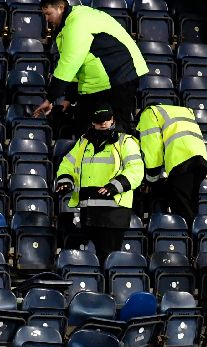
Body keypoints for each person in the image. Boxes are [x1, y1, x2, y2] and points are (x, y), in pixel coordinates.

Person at [33, 0, 147, 134]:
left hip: (119, 76)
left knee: (117, 129)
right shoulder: (73, 21)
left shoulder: (76, 23)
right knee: (88, 127)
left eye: (48, 13)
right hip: (108, 78)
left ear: (61, 8)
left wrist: (50, 98)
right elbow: (76, 65)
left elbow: (70, 63)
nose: (46, 18)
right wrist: (69, 98)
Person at [53, 108, 143, 256]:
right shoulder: (83, 142)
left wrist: (114, 186)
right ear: (93, 123)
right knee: (85, 259)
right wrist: (65, 180)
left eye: (106, 120)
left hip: (114, 213)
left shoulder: (125, 141)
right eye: (99, 121)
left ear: (112, 120)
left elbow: (136, 170)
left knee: (108, 258)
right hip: (87, 212)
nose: (103, 124)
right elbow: (67, 164)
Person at [136, 104, 207, 222]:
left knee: (182, 207)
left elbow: (152, 149)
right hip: (200, 157)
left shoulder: (149, 113)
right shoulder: (182, 110)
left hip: (180, 157)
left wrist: (151, 178)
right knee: (190, 202)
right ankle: (193, 234)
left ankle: (185, 236)